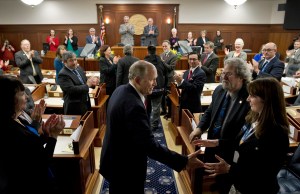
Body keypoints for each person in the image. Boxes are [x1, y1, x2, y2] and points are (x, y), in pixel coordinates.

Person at [99, 60, 204, 194]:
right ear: (138, 80)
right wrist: (183, 161)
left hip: (115, 159)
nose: (155, 83)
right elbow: (149, 145)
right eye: (152, 80)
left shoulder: (120, 90)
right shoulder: (133, 106)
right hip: (126, 168)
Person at [197, 77, 289, 194]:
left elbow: (263, 173)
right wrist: (217, 142)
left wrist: (230, 169)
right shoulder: (253, 118)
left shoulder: (277, 134)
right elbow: (241, 142)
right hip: (238, 182)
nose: (248, 99)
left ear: (267, 99)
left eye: (253, 96)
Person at [189, 58, 251, 194]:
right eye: (223, 72)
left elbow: (244, 133)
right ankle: (218, 183)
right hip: (212, 141)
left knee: (227, 179)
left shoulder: (249, 98)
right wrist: (199, 128)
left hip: (231, 148)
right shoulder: (220, 90)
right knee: (215, 172)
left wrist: (218, 143)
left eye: (229, 74)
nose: (224, 77)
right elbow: (210, 111)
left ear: (241, 77)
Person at [0, 75, 65, 194]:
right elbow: (41, 164)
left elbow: (31, 148)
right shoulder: (10, 130)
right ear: (9, 99)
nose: (26, 97)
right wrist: (53, 136)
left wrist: (45, 135)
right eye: (21, 94)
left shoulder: (18, 118)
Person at [58, 51, 99, 115]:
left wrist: (92, 82)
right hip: (74, 107)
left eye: (75, 59)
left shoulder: (78, 68)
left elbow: (84, 82)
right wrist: (87, 85)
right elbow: (71, 90)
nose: (74, 62)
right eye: (71, 61)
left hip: (85, 103)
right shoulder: (63, 74)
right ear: (65, 62)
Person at [144, 45, 168, 130]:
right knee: (156, 107)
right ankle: (154, 124)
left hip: (147, 87)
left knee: (147, 105)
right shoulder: (160, 61)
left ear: (148, 51)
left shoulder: (145, 62)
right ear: (156, 51)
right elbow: (167, 70)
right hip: (159, 87)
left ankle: (146, 122)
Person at [160, 40, 178, 116]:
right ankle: (164, 110)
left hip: (169, 79)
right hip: (162, 79)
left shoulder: (173, 56)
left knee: (169, 97)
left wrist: (162, 62)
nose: (164, 47)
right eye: (163, 46)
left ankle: (170, 112)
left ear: (169, 46)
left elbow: (171, 68)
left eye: (166, 46)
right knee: (162, 97)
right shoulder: (161, 54)